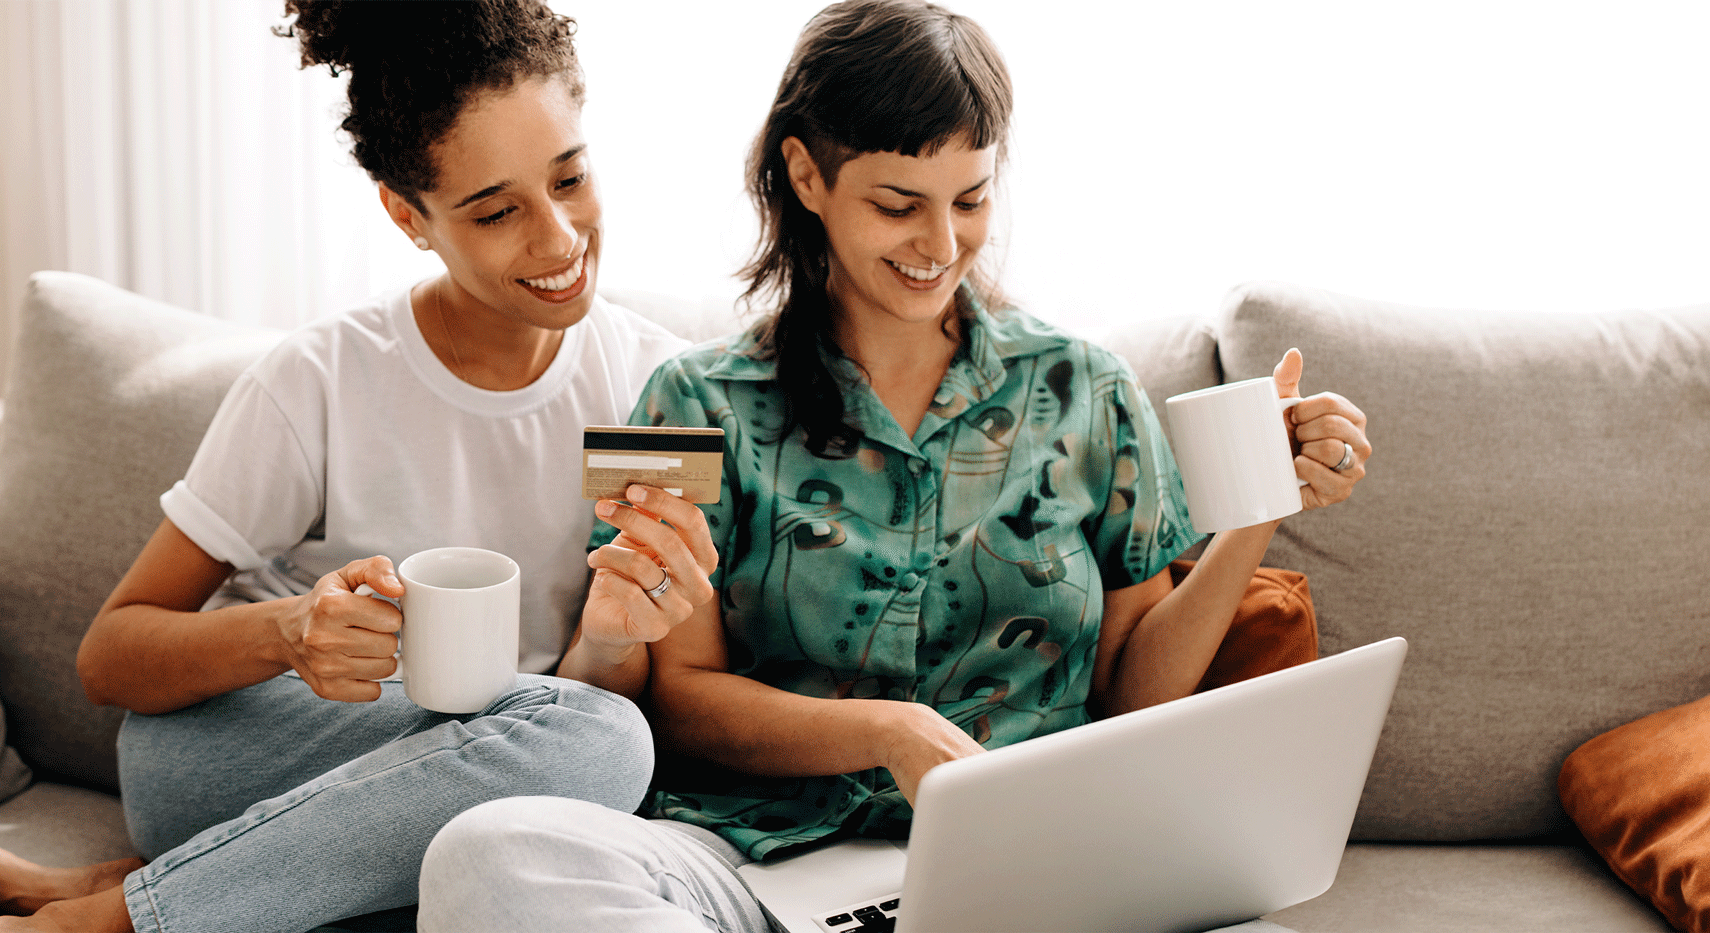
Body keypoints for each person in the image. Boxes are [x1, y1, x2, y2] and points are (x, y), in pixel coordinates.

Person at [414, 2, 1373, 930]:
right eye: (898, 204)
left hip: (1034, 864)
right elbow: (680, 702)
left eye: (972, 199)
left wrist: (1257, 508)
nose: (942, 244)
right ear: (806, 174)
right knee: (489, 851)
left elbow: (1132, 697)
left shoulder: (1089, 388)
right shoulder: (689, 401)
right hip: (752, 859)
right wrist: (887, 729)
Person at [0, 2, 718, 931]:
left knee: (596, 750)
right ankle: (121, 920)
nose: (560, 238)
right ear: (409, 215)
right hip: (242, 749)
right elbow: (110, 658)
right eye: (496, 211)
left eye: (570, 177)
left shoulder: (653, 388)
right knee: (590, 749)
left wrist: (608, 642)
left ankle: (146, 887)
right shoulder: (320, 376)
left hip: (493, 777)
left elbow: (584, 719)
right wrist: (290, 632)